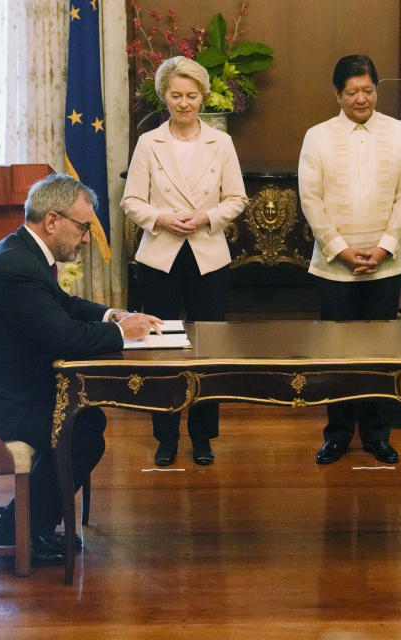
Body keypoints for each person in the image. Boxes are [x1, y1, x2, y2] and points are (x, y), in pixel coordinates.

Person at [0, 174, 161, 565]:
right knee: (82, 432)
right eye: (83, 227)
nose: (87, 239)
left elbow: (63, 304)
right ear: (52, 221)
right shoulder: (17, 266)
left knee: (85, 421)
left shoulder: (21, 252)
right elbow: (65, 338)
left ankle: (27, 525)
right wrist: (121, 334)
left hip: (0, 387)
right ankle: (17, 533)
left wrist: (114, 315)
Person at [121, 56, 247, 468]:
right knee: (160, 348)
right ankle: (165, 434)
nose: (184, 103)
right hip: (160, 255)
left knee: (207, 348)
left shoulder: (221, 142)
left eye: (192, 95)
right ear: (164, 96)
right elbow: (131, 201)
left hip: (208, 255)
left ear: (203, 95)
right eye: (176, 95)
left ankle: (203, 435)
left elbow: (237, 199)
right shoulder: (148, 142)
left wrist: (207, 217)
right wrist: (160, 217)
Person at [298, 54, 401, 465]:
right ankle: (336, 435)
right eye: (352, 92)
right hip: (335, 265)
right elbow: (310, 199)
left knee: (381, 355)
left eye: (368, 90)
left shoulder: (400, 133)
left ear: (377, 90)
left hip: (387, 263)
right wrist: (340, 249)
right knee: (338, 354)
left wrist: (384, 246)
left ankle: (376, 435)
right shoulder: (317, 136)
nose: (361, 99)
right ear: (337, 94)